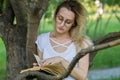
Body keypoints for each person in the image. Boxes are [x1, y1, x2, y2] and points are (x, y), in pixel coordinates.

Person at [35, 0, 93, 80]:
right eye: (60, 18)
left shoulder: (82, 42)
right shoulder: (42, 40)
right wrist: (38, 68)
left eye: (68, 22)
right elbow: (42, 72)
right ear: (55, 16)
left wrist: (62, 61)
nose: (62, 24)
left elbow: (82, 76)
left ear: (74, 24)